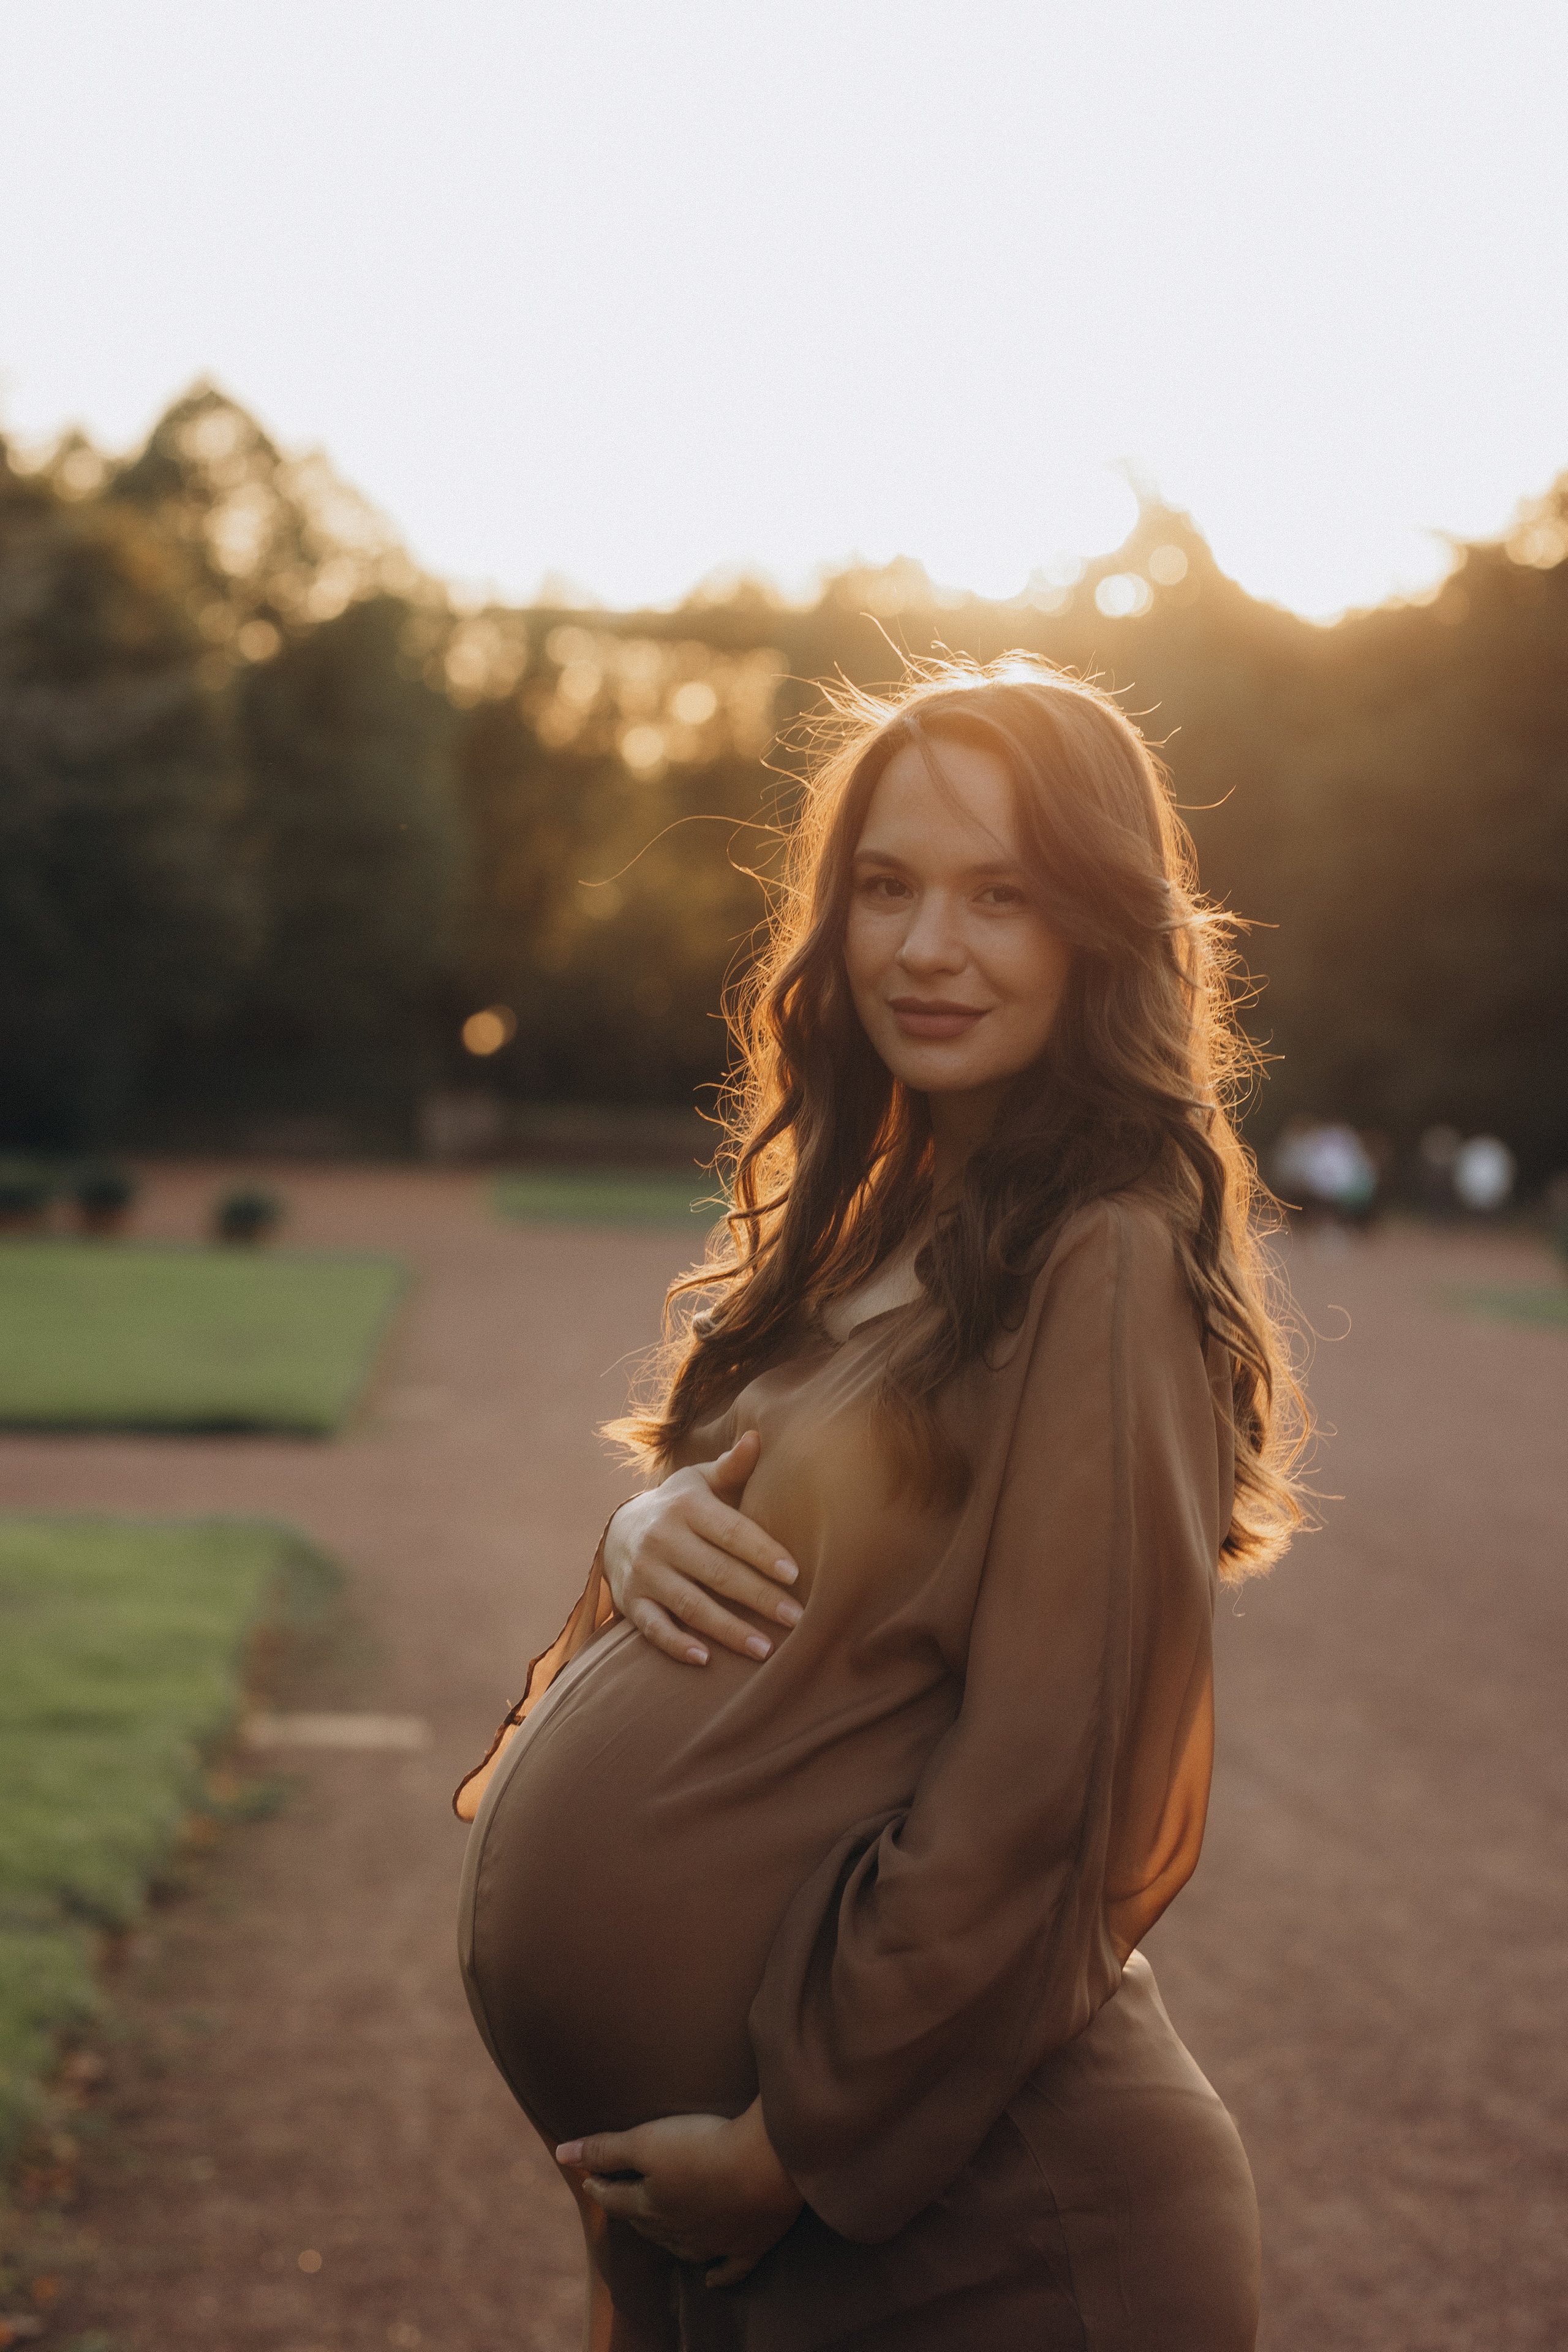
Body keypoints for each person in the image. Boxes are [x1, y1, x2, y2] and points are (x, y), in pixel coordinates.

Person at [454, 658, 1307, 2351]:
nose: (929, 945)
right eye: (888, 886)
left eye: (1004, 894)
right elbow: (783, 1561)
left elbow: (1054, 1773)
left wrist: (792, 2147)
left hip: (977, 2236)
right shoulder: (888, 1220)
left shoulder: (1106, 1253)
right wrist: (638, 1535)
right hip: (777, 2241)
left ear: (1100, 929)